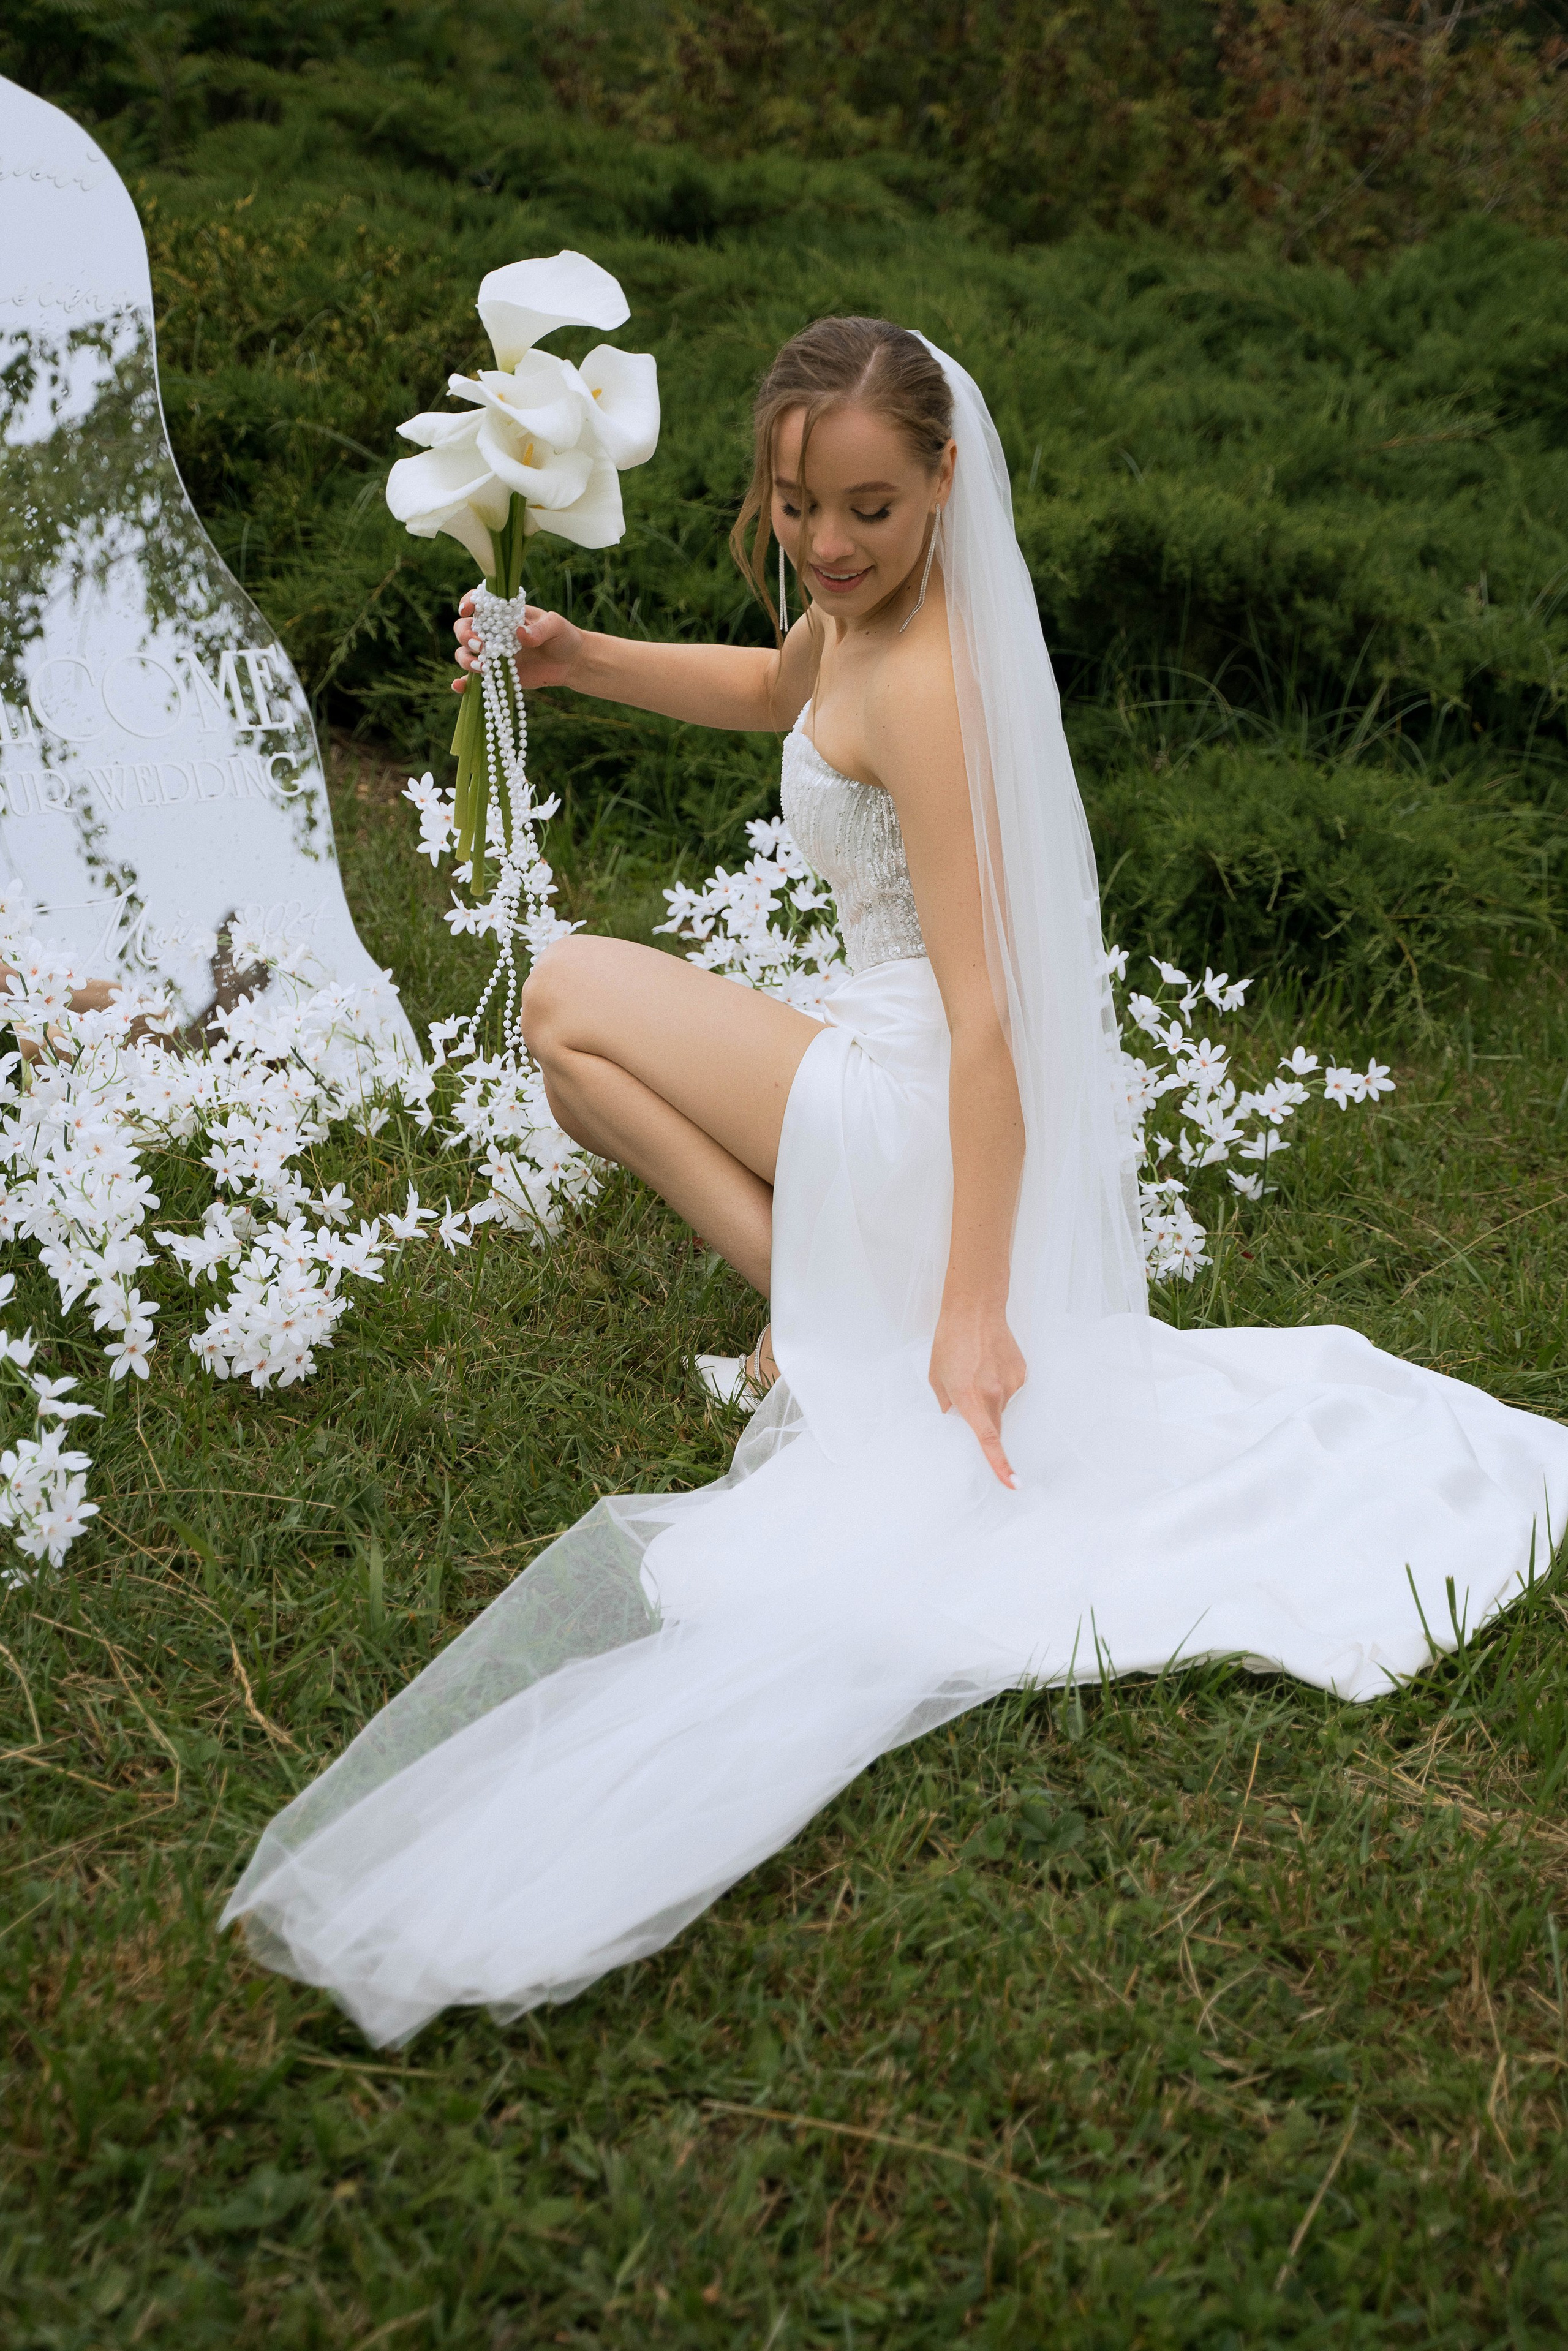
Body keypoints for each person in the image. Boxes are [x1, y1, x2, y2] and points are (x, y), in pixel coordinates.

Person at [222, 320, 1568, 2050]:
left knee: (562, 991)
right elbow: (774, 691)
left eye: (867, 505)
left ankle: (837, 1309)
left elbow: (995, 1020)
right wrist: (568, 658)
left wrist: (975, 1316)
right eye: (796, 507)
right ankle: (812, 1300)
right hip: (876, 1054)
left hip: (928, 1102)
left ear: (947, 479)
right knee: (573, 1074)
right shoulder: (856, 624)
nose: (829, 542)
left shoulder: (933, 683)